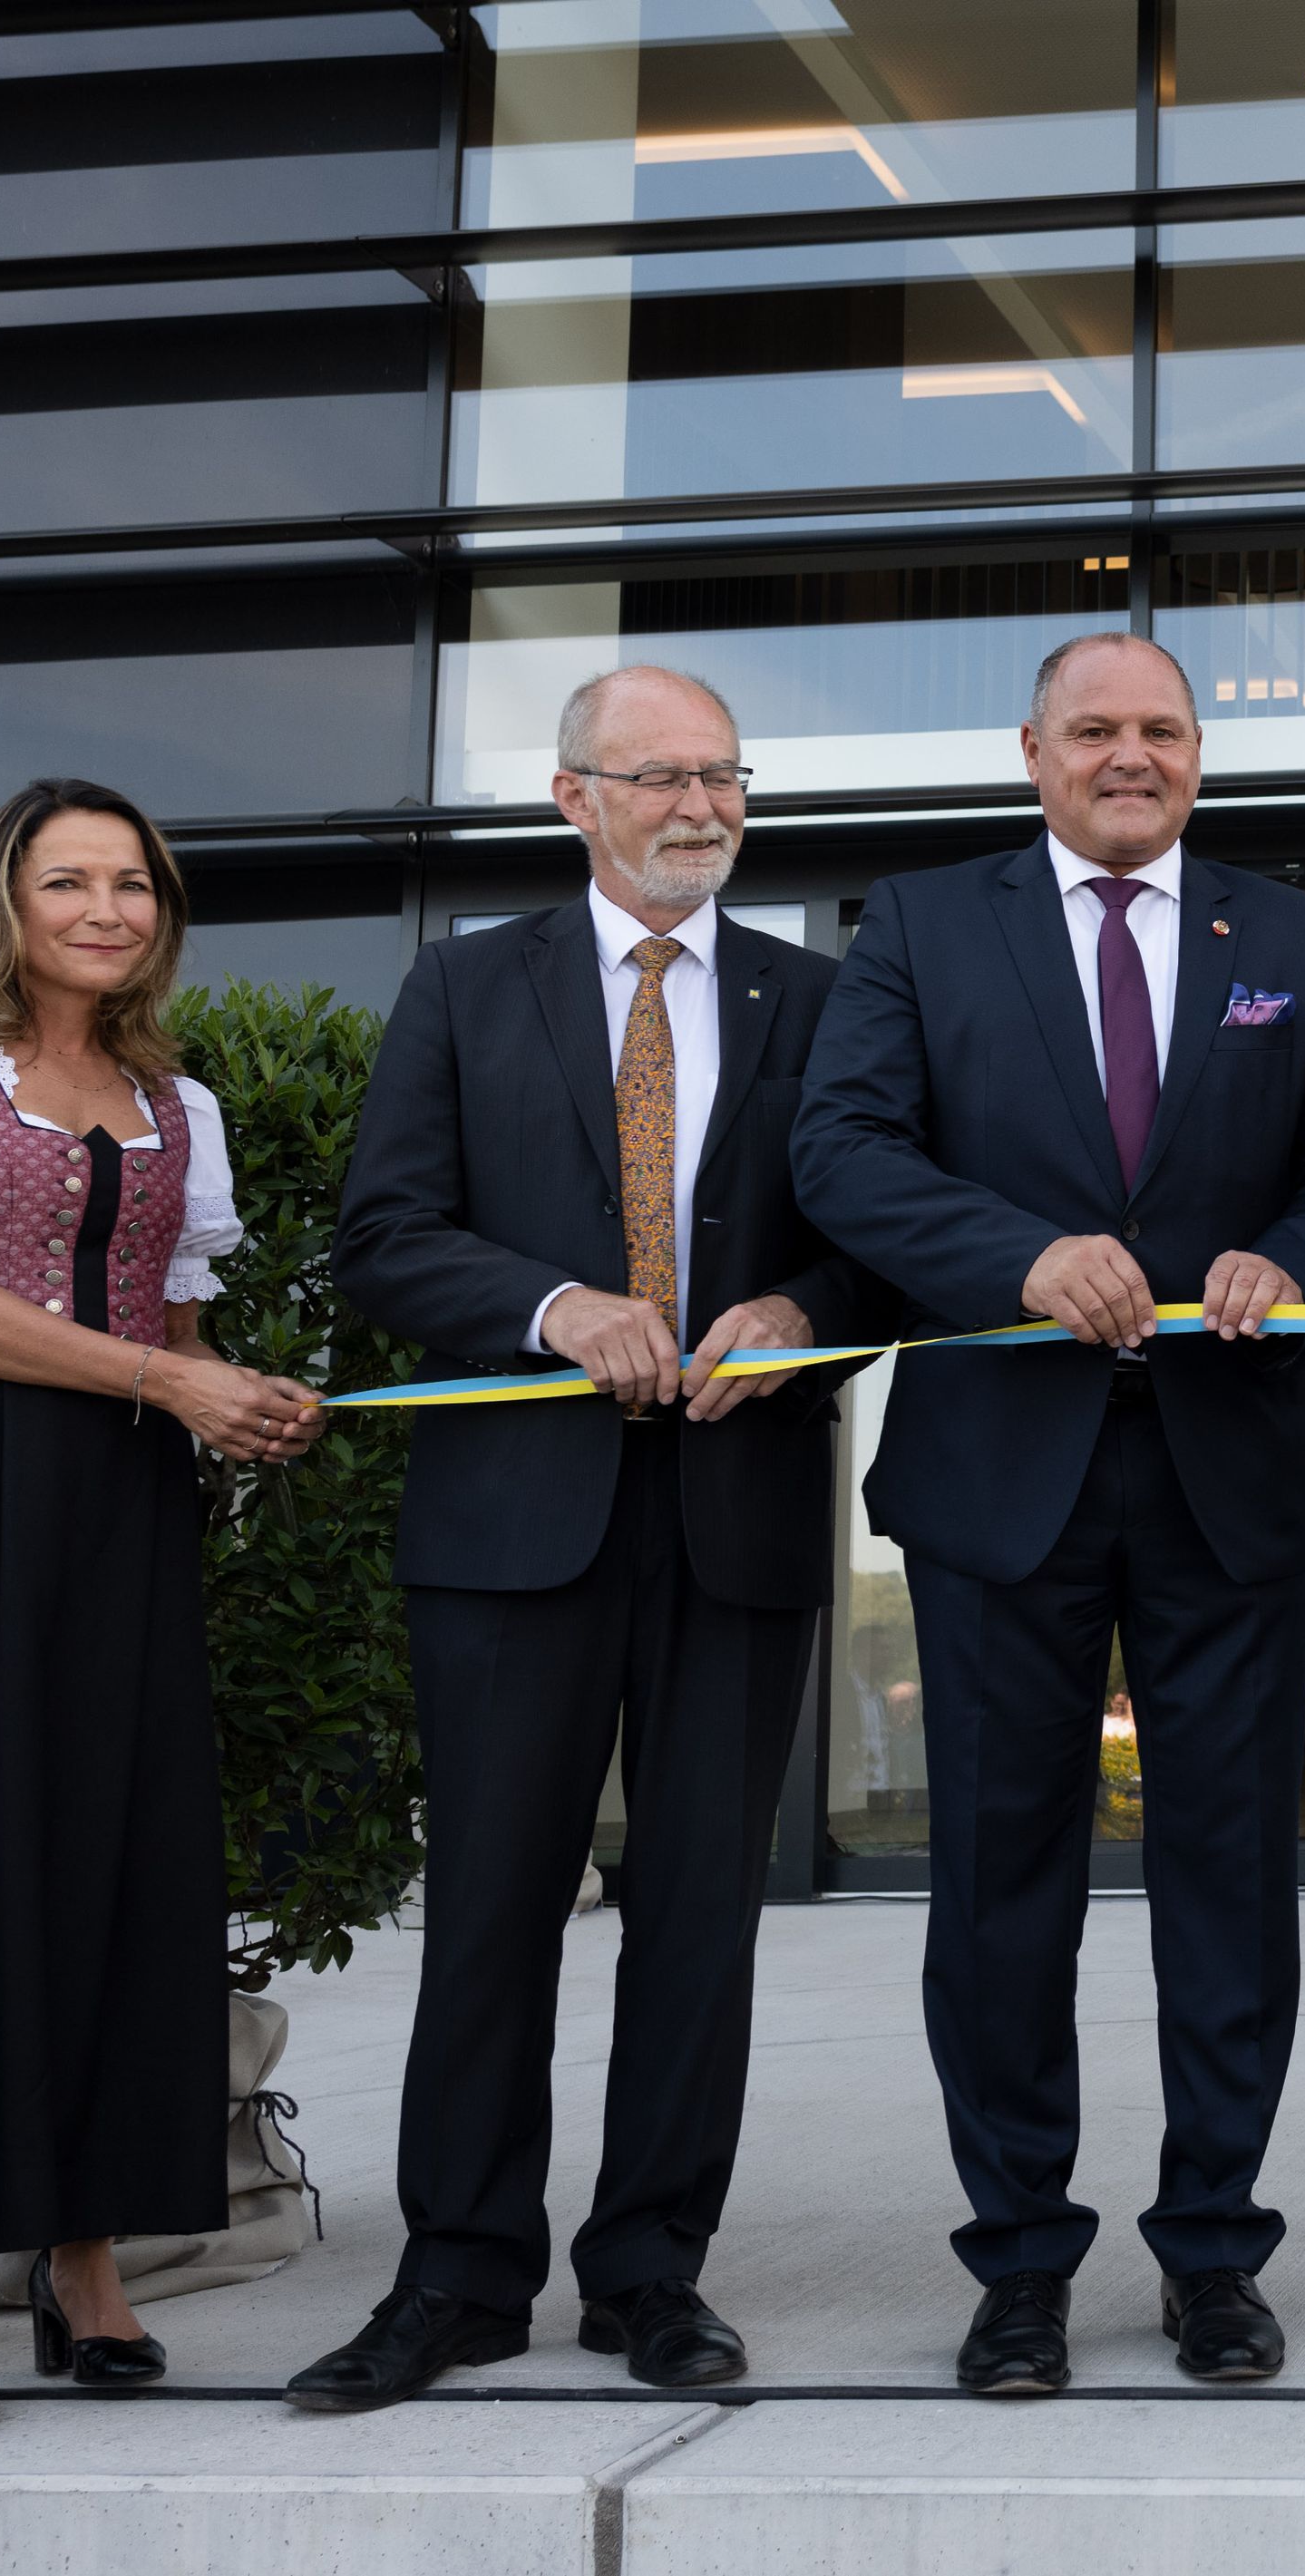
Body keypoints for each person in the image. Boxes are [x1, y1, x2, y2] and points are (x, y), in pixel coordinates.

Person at [792, 632, 1305, 2396]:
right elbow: (845, 1150)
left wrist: (1295, 1252)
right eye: (1096, 728)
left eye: (1162, 729)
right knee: (998, 1890)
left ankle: (1213, 2250)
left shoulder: (1288, 937)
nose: (1131, 754)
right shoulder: (916, 923)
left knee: (1229, 1885)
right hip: (997, 1477)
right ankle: (1020, 2261)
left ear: (1197, 753)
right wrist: (1016, 1257)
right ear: (1031, 748)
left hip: (1226, 1471)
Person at [300, 668, 890, 2410]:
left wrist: (803, 1306)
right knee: (490, 1908)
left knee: (699, 1919)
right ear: (574, 797)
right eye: (660, 776)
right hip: (509, 1528)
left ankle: (651, 2272)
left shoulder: (824, 1000)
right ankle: (460, 2273)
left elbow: (884, 1238)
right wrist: (554, 1304)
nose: (700, 804)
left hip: (740, 1514)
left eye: (724, 774)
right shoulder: (463, 985)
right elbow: (385, 1240)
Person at [0, 778, 323, 2441]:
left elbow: (177, 1313)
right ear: (4, 900)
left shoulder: (179, 1100)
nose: (107, 909)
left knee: (113, 1860)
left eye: (134, 884)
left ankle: (86, 2259)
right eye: (68, 881)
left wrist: (234, 1397)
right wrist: (168, 1373)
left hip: (119, 1507)